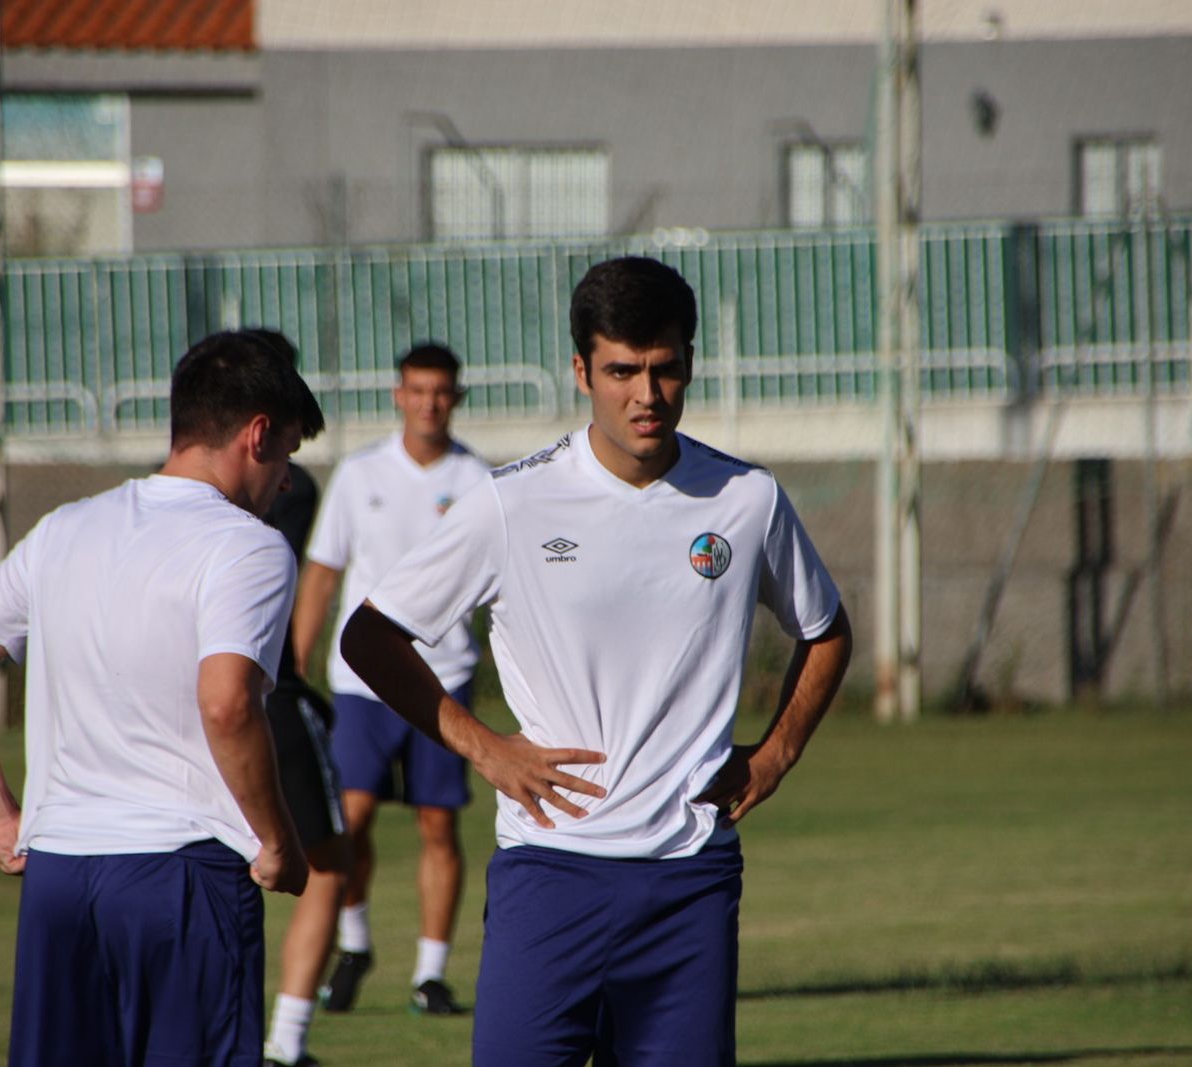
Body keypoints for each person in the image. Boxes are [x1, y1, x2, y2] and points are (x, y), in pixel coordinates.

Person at [340, 257, 853, 1066]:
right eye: (622, 371)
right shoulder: (512, 502)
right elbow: (369, 636)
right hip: (549, 876)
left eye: (665, 369)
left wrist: (778, 752)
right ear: (581, 370)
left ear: (689, 364)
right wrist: (486, 746)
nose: (646, 394)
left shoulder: (746, 498)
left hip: (690, 879)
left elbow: (825, 630)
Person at [0, 329, 325, 1066]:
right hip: (183, 874)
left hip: (61, 877)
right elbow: (227, 702)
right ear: (258, 433)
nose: (287, 480)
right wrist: (277, 841)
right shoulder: (248, 545)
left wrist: (0, 816)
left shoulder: (62, 528)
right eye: (289, 452)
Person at [291, 342, 489, 1017]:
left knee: (438, 822)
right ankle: (354, 943)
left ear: (456, 397)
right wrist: (297, 657)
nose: (430, 402)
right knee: (351, 817)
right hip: (361, 680)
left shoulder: (477, 480)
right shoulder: (359, 472)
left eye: (442, 390)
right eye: (418, 389)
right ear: (398, 394)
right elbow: (323, 569)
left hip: (444, 676)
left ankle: (430, 973)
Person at [260, 459, 349, 1067]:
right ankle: (285, 1043)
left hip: (164, 704)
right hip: (270, 702)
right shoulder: (288, 486)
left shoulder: (131, 505)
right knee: (328, 865)